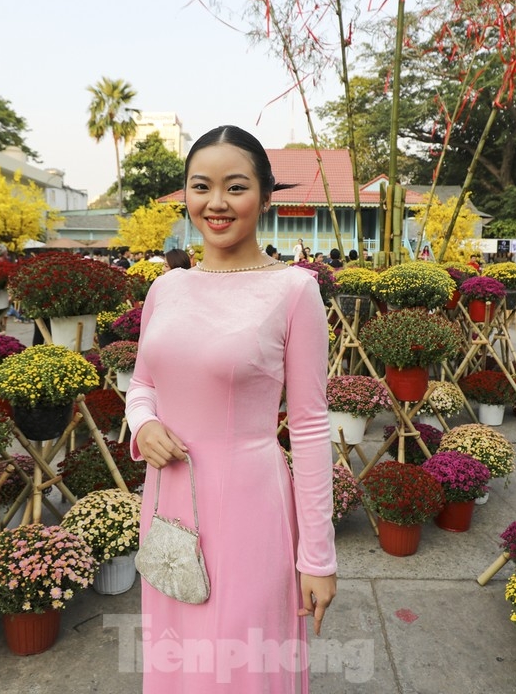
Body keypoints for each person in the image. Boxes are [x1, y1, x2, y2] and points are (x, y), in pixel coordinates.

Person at [127, 125, 336, 691]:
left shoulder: (294, 291)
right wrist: (142, 423)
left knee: (242, 667)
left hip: (250, 508)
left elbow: (312, 427)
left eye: (235, 187)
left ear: (265, 196)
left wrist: (317, 557)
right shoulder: (165, 290)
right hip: (169, 501)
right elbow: (142, 381)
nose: (216, 203)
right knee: (177, 659)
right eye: (201, 187)